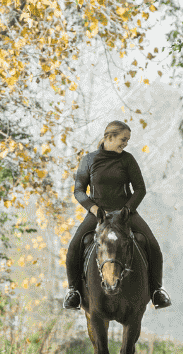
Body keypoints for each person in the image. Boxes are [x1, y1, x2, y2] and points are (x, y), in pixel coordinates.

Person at [63, 120, 171, 310]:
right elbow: (79, 191)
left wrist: (127, 209)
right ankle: (74, 292)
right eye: (123, 139)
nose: (126, 143)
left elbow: (140, 189)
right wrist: (94, 209)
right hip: (99, 215)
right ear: (110, 137)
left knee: (153, 245)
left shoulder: (127, 160)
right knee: (74, 246)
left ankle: (156, 291)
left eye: (127, 140)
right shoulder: (88, 160)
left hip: (125, 214)